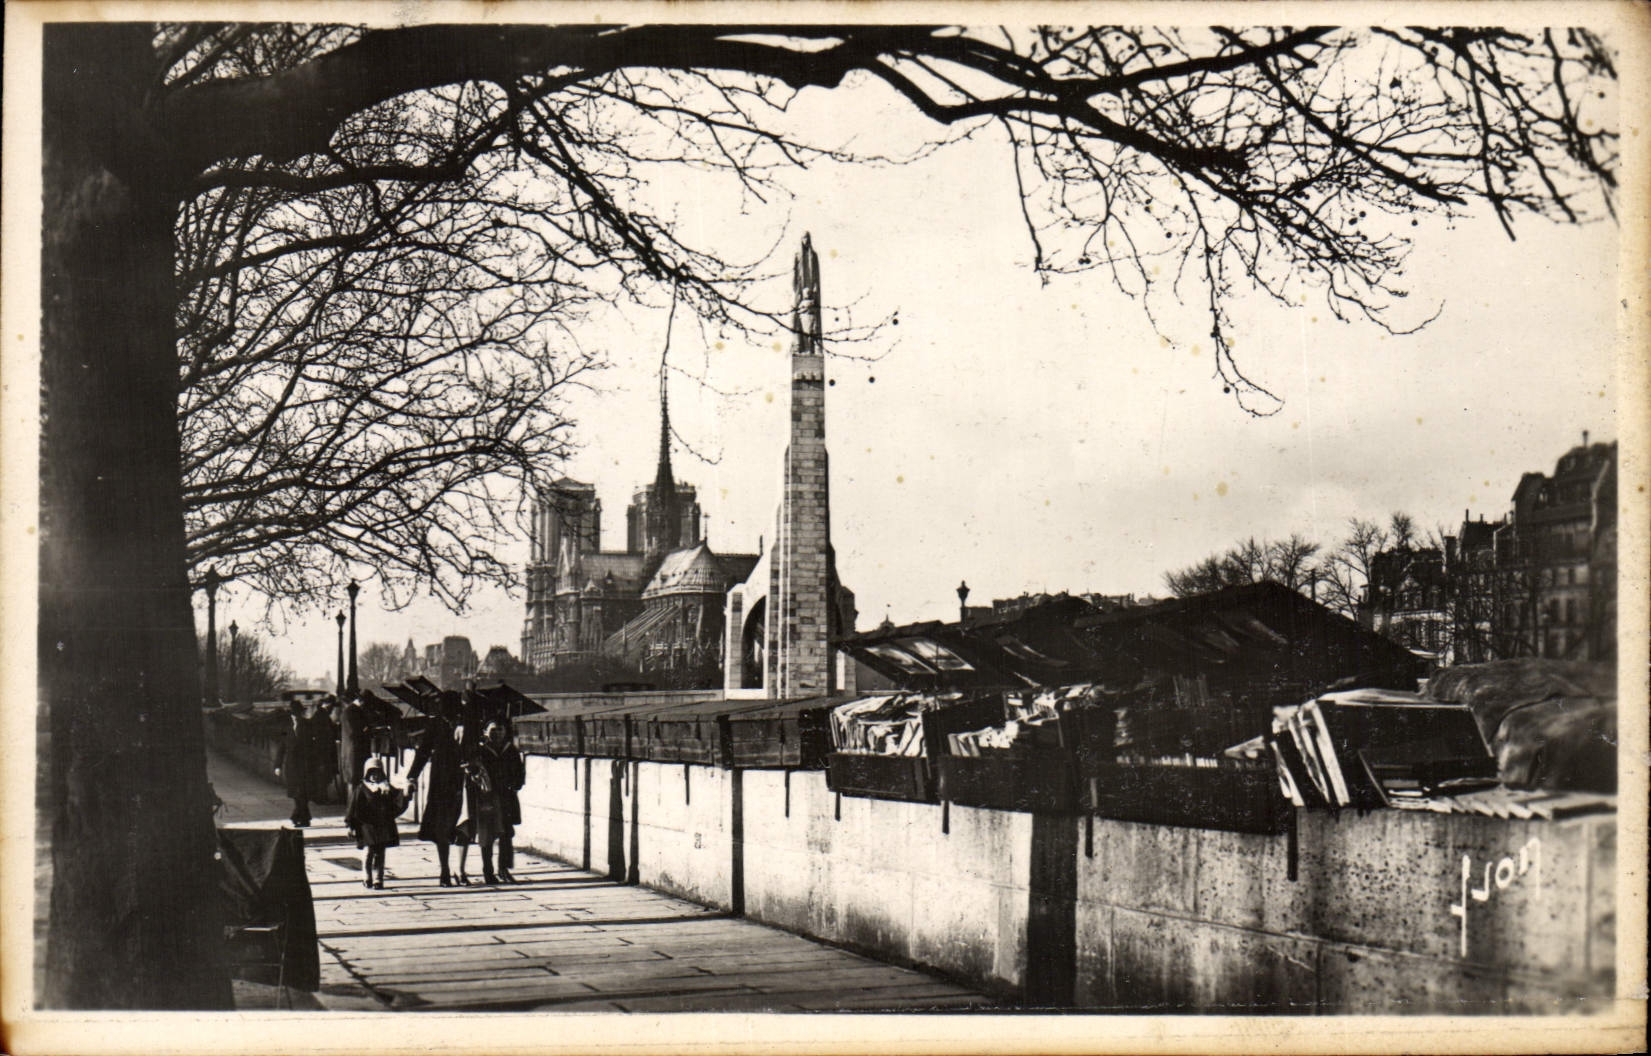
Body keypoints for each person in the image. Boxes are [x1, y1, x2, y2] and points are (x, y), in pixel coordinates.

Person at [405, 691, 467, 886]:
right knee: (443, 826)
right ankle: (445, 869)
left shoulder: (465, 724)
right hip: (443, 781)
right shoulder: (436, 724)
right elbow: (423, 752)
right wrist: (412, 775)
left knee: (462, 824)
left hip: (460, 779)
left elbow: (423, 752)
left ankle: (458, 870)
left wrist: (412, 776)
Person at [454, 720, 526, 885]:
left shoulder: (511, 751)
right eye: (493, 730)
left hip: (506, 797)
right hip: (487, 797)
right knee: (487, 834)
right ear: (486, 732)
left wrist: (515, 784)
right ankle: (488, 870)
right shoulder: (481, 751)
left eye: (500, 729)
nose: (497, 733)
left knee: (506, 833)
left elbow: (520, 773)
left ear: (505, 732)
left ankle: (504, 869)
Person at [345, 759, 408, 889]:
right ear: (366, 774)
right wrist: (350, 825)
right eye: (371, 773)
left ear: (382, 773)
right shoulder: (362, 788)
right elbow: (353, 807)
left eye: (377, 772)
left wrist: (407, 792)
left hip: (382, 825)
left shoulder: (386, 787)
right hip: (366, 825)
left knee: (380, 852)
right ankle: (367, 876)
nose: (374, 776)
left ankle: (378, 879)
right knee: (368, 851)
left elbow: (398, 798)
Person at [273, 700, 323, 827]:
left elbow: (314, 746)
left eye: (298, 713)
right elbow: (281, 747)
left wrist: (316, 762)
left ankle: (299, 817)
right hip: (291, 765)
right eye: (294, 714)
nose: (296, 716)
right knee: (296, 792)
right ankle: (302, 816)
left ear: (301, 713)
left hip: (305, 764)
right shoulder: (286, 727)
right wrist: (277, 765)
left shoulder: (308, 725)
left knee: (302, 792)